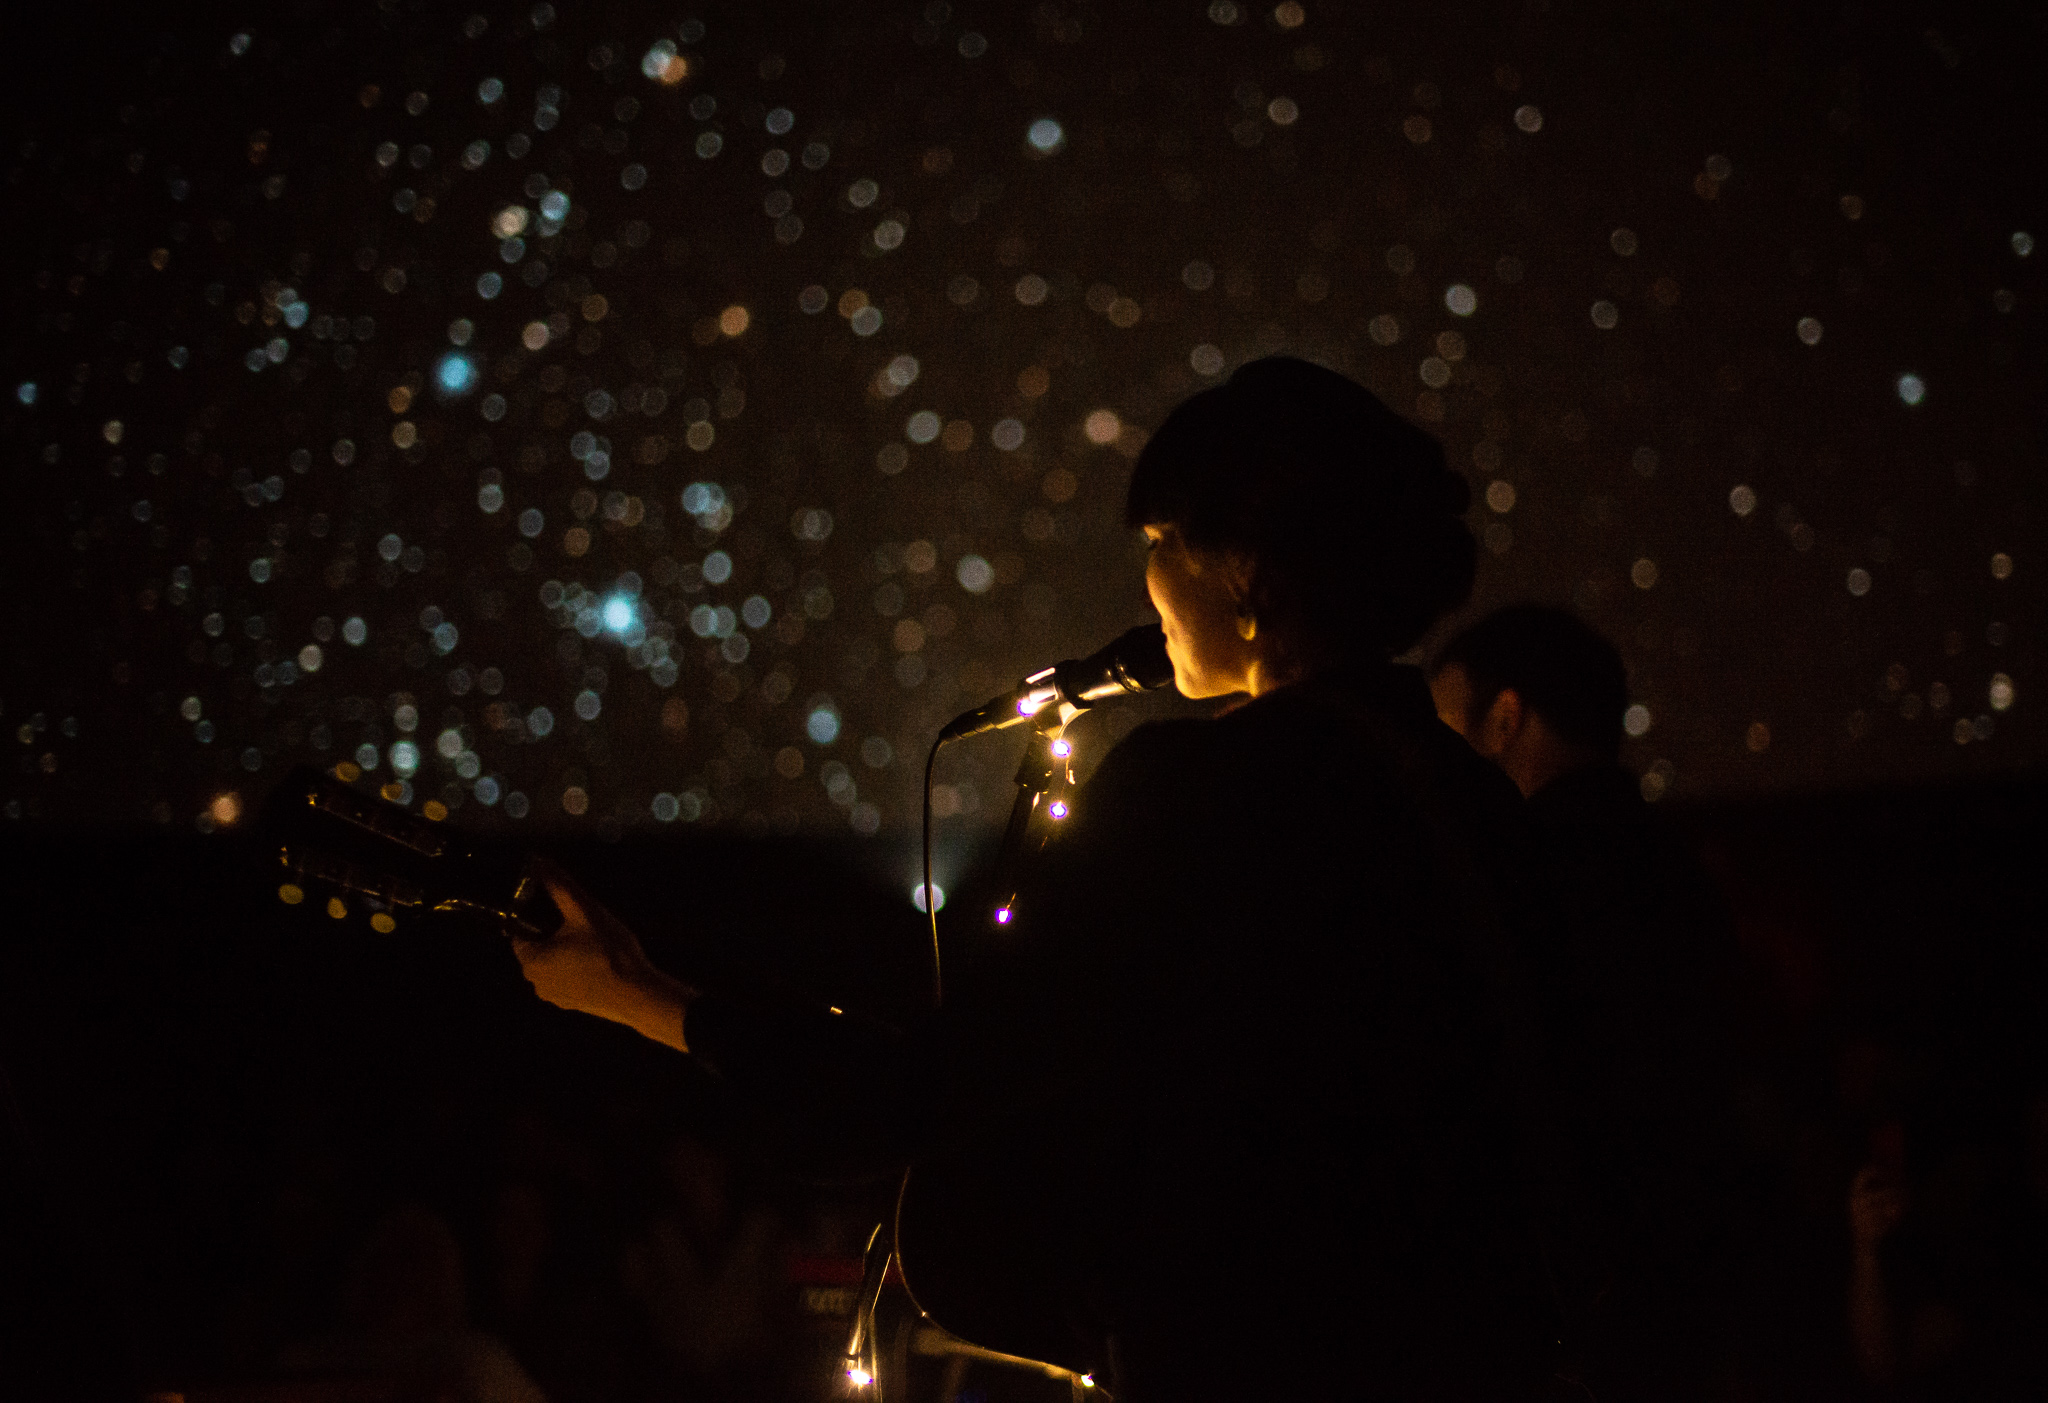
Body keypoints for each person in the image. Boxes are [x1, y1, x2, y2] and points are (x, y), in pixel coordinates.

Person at [514, 358, 1564, 1401]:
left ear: (1243, 566)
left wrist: (636, 992)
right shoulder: (1469, 801)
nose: (1146, 585)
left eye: (1158, 541)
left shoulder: (1197, 790)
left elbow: (928, 1091)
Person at [1430, 607, 1743, 1398]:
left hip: (1574, 1321)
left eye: (1441, 732)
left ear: (1503, 719)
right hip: (1693, 1293)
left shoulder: (1518, 882)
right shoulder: (1677, 867)